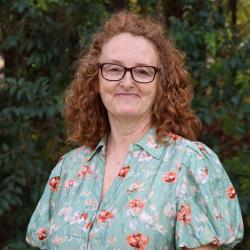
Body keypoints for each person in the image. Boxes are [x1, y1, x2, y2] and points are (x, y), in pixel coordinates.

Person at [26, 11, 244, 250]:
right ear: (95, 80)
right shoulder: (68, 168)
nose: (127, 82)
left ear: (162, 84)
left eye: (142, 71)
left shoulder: (188, 164)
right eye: (113, 68)